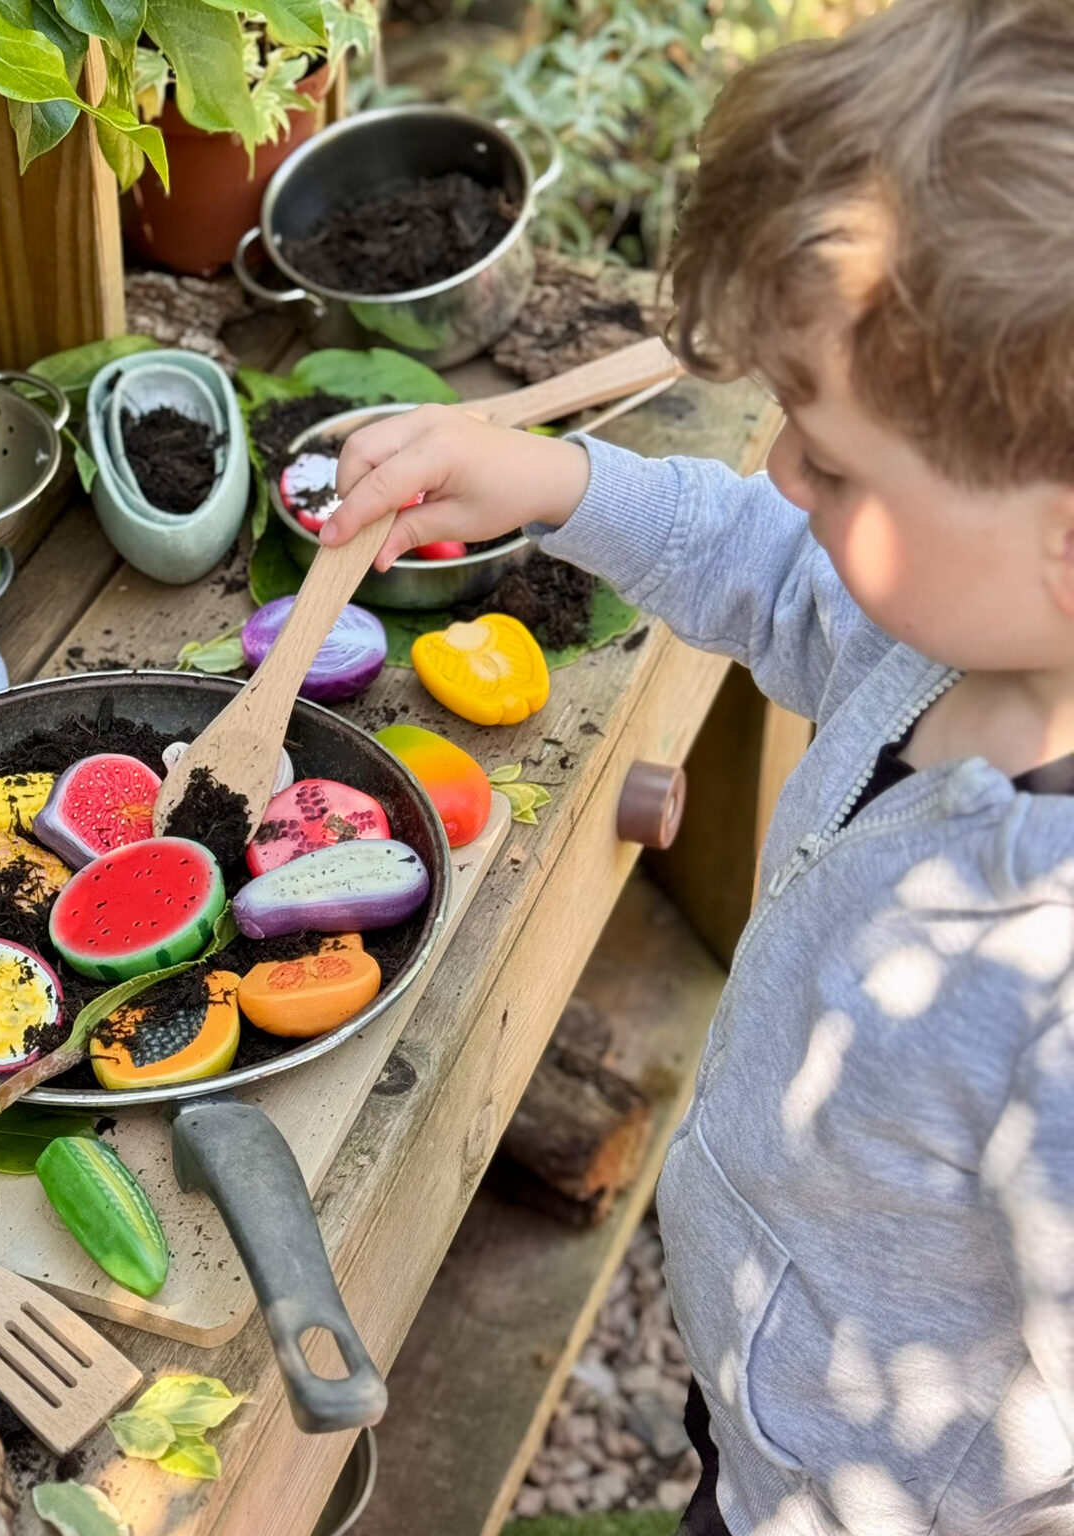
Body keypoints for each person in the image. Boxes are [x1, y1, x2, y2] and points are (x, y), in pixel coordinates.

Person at [321, 2, 1074, 1531]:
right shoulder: (947, 631)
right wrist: (545, 475)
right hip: (772, 1409)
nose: (782, 468)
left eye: (836, 457)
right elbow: (771, 565)